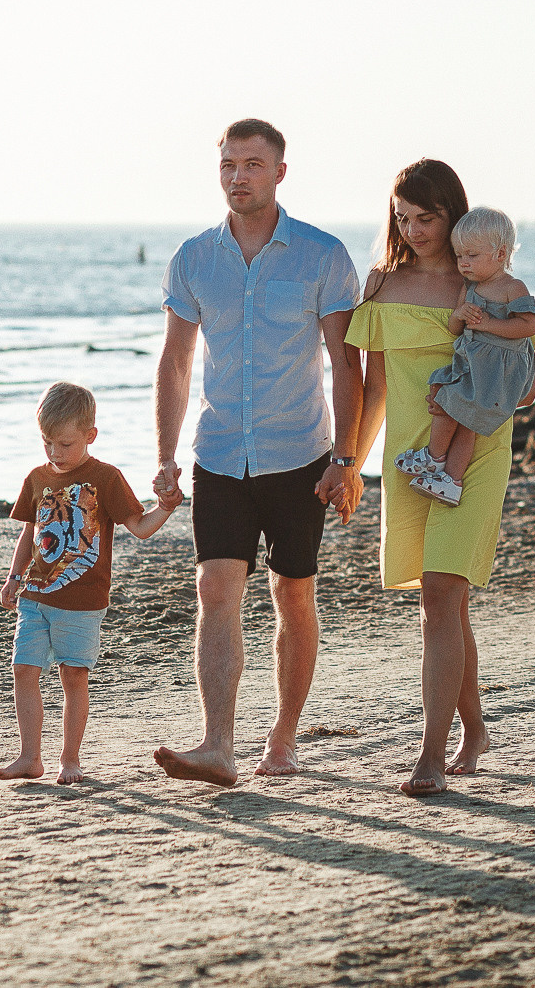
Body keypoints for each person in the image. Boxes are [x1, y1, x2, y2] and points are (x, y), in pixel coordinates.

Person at [150, 119, 363, 787]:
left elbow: (345, 362)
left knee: (292, 592)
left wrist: (347, 457)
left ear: (279, 172)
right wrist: (165, 454)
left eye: (252, 164)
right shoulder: (194, 258)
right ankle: (218, 743)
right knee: (216, 587)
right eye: (227, 165)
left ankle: (284, 735)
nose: (238, 176)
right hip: (219, 454)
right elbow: (177, 360)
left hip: (300, 454)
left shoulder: (322, 255)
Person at [341, 160, 535, 797]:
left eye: (426, 218)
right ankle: (474, 731)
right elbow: (374, 389)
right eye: (403, 218)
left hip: (475, 450)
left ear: (454, 217)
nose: (414, 229)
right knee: (445, 604)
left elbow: (527, 388)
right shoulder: (382, 287)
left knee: (439, 594)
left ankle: (430, 755)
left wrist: (480, 371)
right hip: (408, 454)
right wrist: (348, 463)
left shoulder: (486, 286)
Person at [0, 381, 175, 785]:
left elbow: (140, 527)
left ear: (90, 436)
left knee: (73, 675)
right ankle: (29, 757)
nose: (55, 455)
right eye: (47, 444)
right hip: (35, 596)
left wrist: (165, 507)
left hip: (82, 602)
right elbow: (30, 531)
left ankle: (70, 759)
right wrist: (13, 577)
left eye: (64, 444)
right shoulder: (37, 477)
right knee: (23, 669)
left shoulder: (106, 477)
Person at [394, 207, 535, 507]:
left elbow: (527, 326)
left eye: (471, 256)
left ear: (500, 254)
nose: (463, 263)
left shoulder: (513, 288)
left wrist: (489, 324)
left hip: (497, 368)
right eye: (459, 255)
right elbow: (454, 327)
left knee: (455, 407)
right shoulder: (470, 289)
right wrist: (459, 314)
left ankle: (438, 461)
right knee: (457, 412)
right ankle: (450, 479)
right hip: (472, 364)